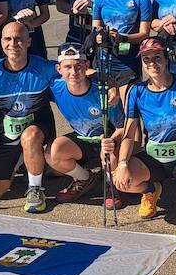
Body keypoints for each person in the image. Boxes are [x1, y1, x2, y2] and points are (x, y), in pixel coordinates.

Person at [107, 37, 176, 218]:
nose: (152, 63)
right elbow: (129, 134)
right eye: (146, 59)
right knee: (121, 178)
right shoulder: (136, 91)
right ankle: (150, 190)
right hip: (153, 154)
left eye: (157, 57)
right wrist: (122, 164)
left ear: (166, 58)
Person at [0, 21, 59, 212]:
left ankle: (35, 189)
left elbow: (72, 74)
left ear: (28, 42)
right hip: (8, 133)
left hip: (38, 129)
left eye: (18, 39)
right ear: (1, 42)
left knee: (31, 138)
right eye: (8, 39)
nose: (13, 44)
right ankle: (23, 160)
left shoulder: (43, 67)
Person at [45, 43, 124, 204]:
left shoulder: (104, 92)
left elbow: (122, 127)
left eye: (78, 66)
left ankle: (110, 185)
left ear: (87, 66)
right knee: (53, 152)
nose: (73, 72)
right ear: (59, 69)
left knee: (110, 153)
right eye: (67, 67)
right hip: (83, 140)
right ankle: (85, 178)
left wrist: (112, 141)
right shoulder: (55, 88)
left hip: (107, 140)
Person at [91, 0, 152, 94]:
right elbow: (96, 29)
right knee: (108, 111)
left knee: (129, 111)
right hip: (104, 60)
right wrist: (100, 36)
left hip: (129, 62)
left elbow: (144, 34)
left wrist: (122, 37)